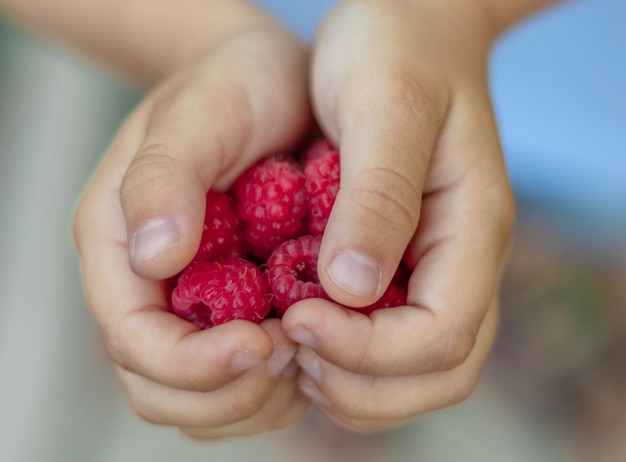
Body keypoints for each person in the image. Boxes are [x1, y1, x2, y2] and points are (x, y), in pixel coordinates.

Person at [0, 0, 558, 439]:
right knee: (463, 219)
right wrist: (201, 42)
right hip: (402, 59)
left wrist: (462, 14)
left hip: (552, 67)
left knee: (486, 206)